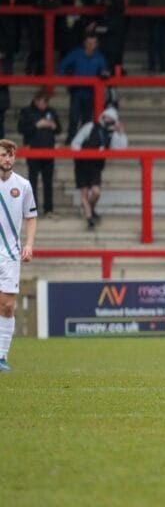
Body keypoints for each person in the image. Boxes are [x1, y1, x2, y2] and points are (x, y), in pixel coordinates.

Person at [0, 139, 38, 373]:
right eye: (3, 155)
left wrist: (30, 244)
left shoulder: (23, 185)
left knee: (7, 306)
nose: (7, 159)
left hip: (11, 253)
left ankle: (1, 356)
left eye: (10, 155)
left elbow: (31, 216)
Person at [71, 107, 128, 230]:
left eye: (111, 119)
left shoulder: (112, 134)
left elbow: (120, 149)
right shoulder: (90, 126)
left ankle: (89, 209)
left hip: (96, 166)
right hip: (82, 164)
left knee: (96, 192)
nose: (108, 120)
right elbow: (76, 143)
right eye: (107, 117)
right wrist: (81, 155)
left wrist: (121, 133)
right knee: (84, 192)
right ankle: (89, 218)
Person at [58, 33, 109, 144]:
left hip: (91, 93)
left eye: (94, 43)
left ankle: (84, 142)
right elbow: (62, 65)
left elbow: (104, 72)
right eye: (89, 43)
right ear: (84, 43)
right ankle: (70, 140)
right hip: (77, 92)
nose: (91, 45)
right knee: (74, 118)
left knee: (87, 120)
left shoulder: (100, 57)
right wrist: (66, 80)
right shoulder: (76, 53)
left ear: (97, 44)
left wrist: (104, 74)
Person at [17, 91, 62, 217]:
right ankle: (32, 209)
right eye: (42, 102)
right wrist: (37, 125)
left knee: (48, 181)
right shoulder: (27, 112)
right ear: (36, 101)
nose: (44, 105)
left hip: (48, 151)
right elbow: (21, 128)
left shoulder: (51, 111)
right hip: (33, 151)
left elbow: (59, 129)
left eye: (46, 102)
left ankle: (49, 209)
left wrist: (52, 125)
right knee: (32, 182)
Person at [146, 0, 165, 74]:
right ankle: (154, 65)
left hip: (164, 17)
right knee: (155, 42)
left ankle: (160, 65)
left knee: (162, 42)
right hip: (156, 17)